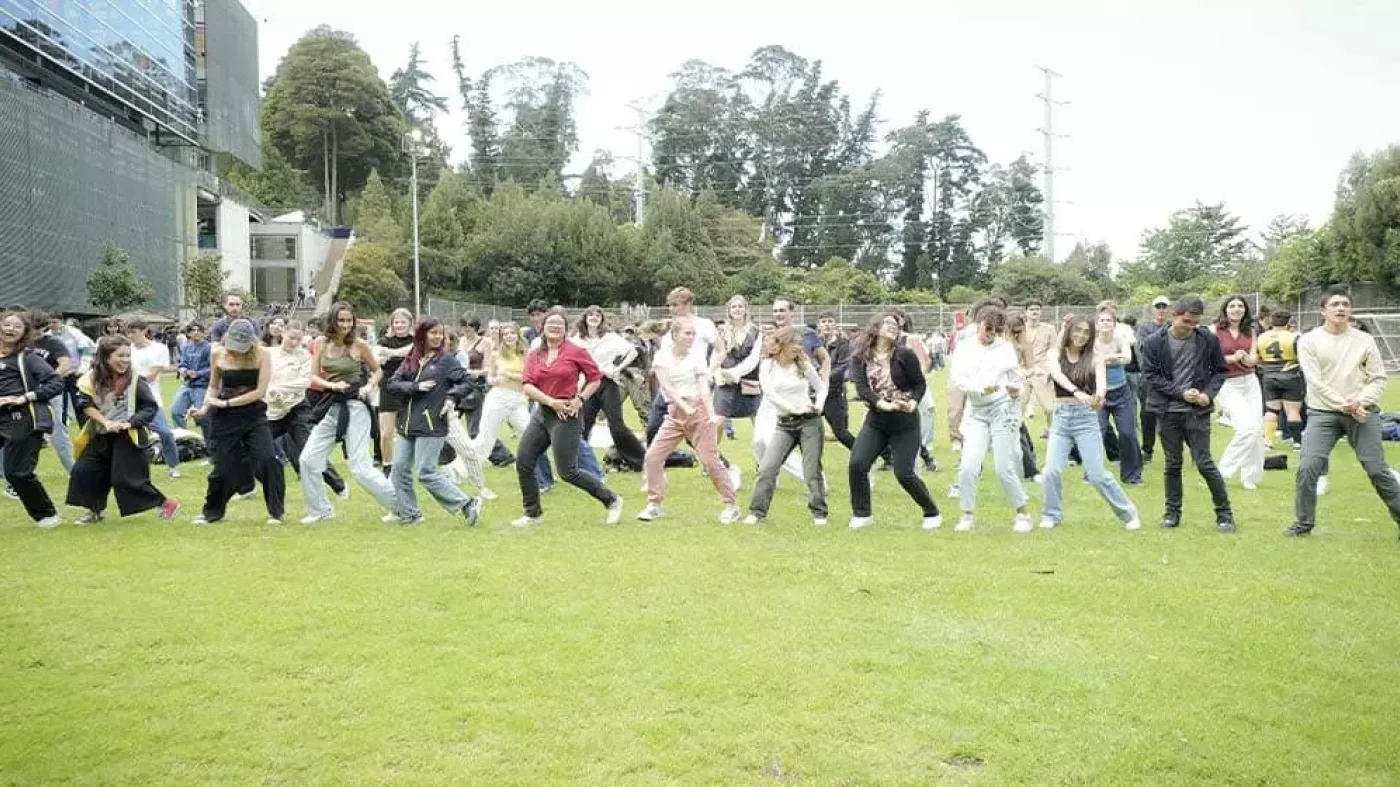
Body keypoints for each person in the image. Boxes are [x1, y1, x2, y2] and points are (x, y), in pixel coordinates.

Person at [1287, 289, 1400, 538]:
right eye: (1335, 304)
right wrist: (1345, 404)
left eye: (1345, 304)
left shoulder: (1363, 340)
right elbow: (1315, 382)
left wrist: (1361, 401)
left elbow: (1378, 378)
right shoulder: (1309, 340)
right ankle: (1303, 523)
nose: (1341, 308)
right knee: (1308, 467)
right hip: (1323, 413)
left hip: (1362, 412)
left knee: (1376, 468)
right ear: (1323, 310)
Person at [514, 308, 624, 528]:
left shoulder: (576, 351)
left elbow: (595, 378)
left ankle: (611, 499)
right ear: (542, 328)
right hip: (544, 412)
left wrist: (580, 399)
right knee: (524, 462)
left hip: (567, 414)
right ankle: (532, 514)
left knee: (568, 472)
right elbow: (527, 385)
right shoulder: (535, 354)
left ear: (566, 329)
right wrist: (549, 402)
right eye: (550, 323)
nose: (555, 327)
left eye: (560, 324)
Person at [1138, 297, 1235, 533]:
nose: (1189, 327)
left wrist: (1208, 395)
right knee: (1173, 464)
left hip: (1197, 412)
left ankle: (1225, 515)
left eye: (1194, 322)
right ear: (1174, 314)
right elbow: (1151, 377)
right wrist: (1181, 393)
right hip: (1168, 411)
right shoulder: (1153, 342)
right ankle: (1172, 514)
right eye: (1186, 321)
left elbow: (1220, 371)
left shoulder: (1206, 339)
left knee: (1204, 462)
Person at [299, 303, 400, 524]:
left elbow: (378, 371)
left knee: (360, 467)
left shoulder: (359, 345)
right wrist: (332, 385)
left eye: (349, 320)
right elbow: (313, 377)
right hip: (332, 404)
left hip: (356, 405)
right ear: (332, 322)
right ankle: (320, 510)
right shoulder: (320, 343)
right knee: (307, 460)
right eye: (341, 320)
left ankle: (402, 507)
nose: (346, 325)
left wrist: (369, 386)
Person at [1039, 316, 1141, 530]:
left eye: (1086, 332)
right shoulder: (1055, 353)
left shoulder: (1096, 357)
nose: (1081, 336)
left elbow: (1102, 384)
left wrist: (1099, 397)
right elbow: (1057, 376)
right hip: (1061, 417)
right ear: (1068, 331)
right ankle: (1051, 515)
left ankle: (1128, 513)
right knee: (1051, 470)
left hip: (1085, 419)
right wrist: (1077, 392)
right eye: (1077, 330)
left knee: (1096, 474)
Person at [67, 336, 181, 524]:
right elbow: (84, 404)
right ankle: (94, 511)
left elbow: (149, 407)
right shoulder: (90, 379)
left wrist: (130, 422)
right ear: (105, 357)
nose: (125, 360)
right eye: (120, 356)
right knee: (86, 471)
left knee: (125, 478)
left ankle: (166, 503)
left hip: (128, 435)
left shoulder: (135, 380)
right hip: (100, 434)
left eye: (128, 356)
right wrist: (106, 422)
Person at [638, 317, 739, 524]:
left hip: (698, 411)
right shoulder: (662, 357)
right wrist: (684, 408)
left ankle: (731, 505)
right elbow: (667, 387)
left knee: (711, 461)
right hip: (676, 412)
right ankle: (654, 504)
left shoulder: (697, 356)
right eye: (687, 333)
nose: (691, 337)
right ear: (675, 335)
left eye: (693, 333)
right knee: (653, 457)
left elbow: (702, 385)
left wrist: (710, 413)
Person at [846, 312, 941, 530]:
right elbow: (861, 388)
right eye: (888, 322)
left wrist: (914, 403)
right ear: (876, 327)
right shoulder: (860, 357)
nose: (893, 326)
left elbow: (919, 385)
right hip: (877, 419)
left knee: (904, 472)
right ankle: (862, 514)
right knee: (858, 464)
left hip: (904, 420)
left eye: (896, 325)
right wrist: (881, 404)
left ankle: (931, 511)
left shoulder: (904, 355)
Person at [384, 318, 483, 526]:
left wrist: (451, 397)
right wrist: (415, 387)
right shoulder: (412, 358)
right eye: (433, 333)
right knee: (399, 469)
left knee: (425, 472)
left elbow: (467, 381)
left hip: (431, 424)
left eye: (441, 333)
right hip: (407, 424)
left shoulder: (446, 361)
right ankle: (411, 514)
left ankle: (467, 504)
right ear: (422, 335)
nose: (438, 337)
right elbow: (392, 383)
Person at [188, 319, 286, 526]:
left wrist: (228, 403)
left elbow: (259, 392)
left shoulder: (262, 355)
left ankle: (276, 511)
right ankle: (212, 512)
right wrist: (204, 409)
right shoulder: (218, 354)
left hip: (253, 415)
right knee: (223, 468)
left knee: (267, 459)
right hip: (225, 420)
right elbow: (214, 387)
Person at [950, 306, 1034, 532]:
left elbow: (1017, 376)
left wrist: (1015, 388)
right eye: (988, 329)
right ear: (979, 324)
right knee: (968, 466)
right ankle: (967, 514)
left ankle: (1023, 514)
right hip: (977, 411)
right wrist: (979, 389)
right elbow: (958, 378)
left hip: (1002, 409)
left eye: (996, 331)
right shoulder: (965, 348)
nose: (990, 334)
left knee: (1003, 467)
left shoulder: (1004, 348)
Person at [743, 327, 829, 526]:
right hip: (785, 424)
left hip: (809, 423)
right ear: (781, 344)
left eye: (800, 344)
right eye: (794, 343)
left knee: (811, 470)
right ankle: (757, 512)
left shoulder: (804, 366)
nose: (798, 347)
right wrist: (793, 409)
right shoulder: (767, 366)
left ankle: (819, 513)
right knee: (767, 467)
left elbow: (821, 387)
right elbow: (770, 393)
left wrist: (819, 406)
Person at [265, 321, 349, 501]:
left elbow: (305, 381)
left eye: (298, 339)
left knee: (309, 450)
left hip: (296, 408)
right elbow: (262, 377)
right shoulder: (269, 354)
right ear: (283, 334)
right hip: (272, 411)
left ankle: (338, 485)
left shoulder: (304, 356)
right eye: (291, 338)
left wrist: (279, 388)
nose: (294, 342)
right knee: (256, 446)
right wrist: (269, 390)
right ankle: (245, 486)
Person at [0, 309, 65, 527]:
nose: (10, 329)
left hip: (23, 419)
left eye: (17, 327)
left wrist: (24, 397)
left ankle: (46, 514)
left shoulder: (28, 358)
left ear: (25, 333)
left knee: (16, 472)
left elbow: (56, 383)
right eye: (7, 324)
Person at [572, 306, 647, 472]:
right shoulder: (576, 340)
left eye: (598, 315)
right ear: (584, 318)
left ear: (602, 319)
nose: (594, 317)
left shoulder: (610, 337)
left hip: (607, 383)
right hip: (588, 385)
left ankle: (641, 461)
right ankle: (579, 463)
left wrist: (616, 369)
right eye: (590, 314)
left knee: (617, 426)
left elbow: (633, 352)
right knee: (582, 426)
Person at [1211, 295, 1265, 490]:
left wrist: (1246, 359)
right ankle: (1222, 473)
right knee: (1247, 428)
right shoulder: (1215, 330)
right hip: (1226, 383)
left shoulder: (1250, 331)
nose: (1236, 309)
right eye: (1232, 306)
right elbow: (1210, 360)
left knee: (1257, 430)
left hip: (1250, 381)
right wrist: (1233, 358)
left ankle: (1250, 477)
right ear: (1225, 309)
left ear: (1245, 310)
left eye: (1240, 306)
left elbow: (1253, 358)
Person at [712, 296, 764, 479]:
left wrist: (735, 373)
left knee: (759, 424)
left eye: (740, 306)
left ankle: (763, 464)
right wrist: (719, 374)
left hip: (749, 381)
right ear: (728, 309)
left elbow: (753, 359)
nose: (737, 309)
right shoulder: (720, 331)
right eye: (733, 306)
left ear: (746, 309)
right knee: (718, 422)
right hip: (725, 383)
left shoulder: (756, 332)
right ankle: (712, 462)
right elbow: (715, 356)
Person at [125, 321, 183, 479]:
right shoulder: (126, 350)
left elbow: (151, 376)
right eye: (128, 333)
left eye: (134, 332)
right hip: (127, 399)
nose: (131, 336)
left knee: (165, 432)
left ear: (144, 331)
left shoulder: (159, 349)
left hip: (150, 399)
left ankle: (173, 466)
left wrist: (132, 376)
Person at [1094, 308, 1143, 485]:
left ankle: (1132, 476)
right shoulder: (1092, 343)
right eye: (1102, 320)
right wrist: (1114, 358)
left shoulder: (1120, 339)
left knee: (1127, 433)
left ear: (1114, 324)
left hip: (1121, 392)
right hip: (1098, 394)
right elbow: (1090, 362)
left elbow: (1127, 358)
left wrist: (1106, 357)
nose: (1105, 323)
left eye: (1109, 320)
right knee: (1096, 432)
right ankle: (1092, 473)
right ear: (1097, 324)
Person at [24, 311, 75, 472]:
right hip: (26, 393)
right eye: (34, 329)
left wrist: (49, 379)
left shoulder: (53, 343)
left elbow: (65, 365)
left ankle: (74, 472)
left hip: (51, 393)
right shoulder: (20, 343)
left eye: (41, 329)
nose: (37, 333)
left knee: (58, 434)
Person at [1256, 310, 1304, 450]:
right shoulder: (1294, 337)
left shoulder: (1262, 337)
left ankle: (1268, 441)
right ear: (1288, 322)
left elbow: (1257, 356)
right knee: (1293, 411)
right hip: (1290, 375)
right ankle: (1297, 442)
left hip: (1269, 376)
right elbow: (1302, 357)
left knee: (1271, 410)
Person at [375, 308, 415, 470]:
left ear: (409, 324)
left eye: (403, 322)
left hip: (408, 387)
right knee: (386, 433)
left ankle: (406, 463)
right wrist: (387, 354)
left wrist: (390, 354)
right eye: (396, 322)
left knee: (408, 430)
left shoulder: (416, 340)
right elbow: (377, 358)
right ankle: (387, 464)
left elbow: (411, 352)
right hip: (388, 388)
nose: (399, 325)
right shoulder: (384, 341)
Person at [1136, 296, 1172, 462]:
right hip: (1149, 377)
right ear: (1153, 309)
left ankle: (1173, 449)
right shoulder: (1144, 327)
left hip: (1170, 377)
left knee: (1172, 414)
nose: (1161, 310)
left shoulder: (1173, 327)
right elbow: (1145, 349)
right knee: (1147, 414)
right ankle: (1147, 450)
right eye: (1158, 306)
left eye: (1164, 306)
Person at [816, 311, 857, 452]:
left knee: (841, 433)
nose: (826, 325)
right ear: (819, 325)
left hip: (834, 393)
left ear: (835, 324)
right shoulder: (815, 343)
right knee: (803, 429)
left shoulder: (843, 344)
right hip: (815, 392)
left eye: (830, 321)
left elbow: (844, 366)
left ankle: (869, 455)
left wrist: (825, 375)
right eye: (823, 322)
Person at [1020, 301, 1059, 428]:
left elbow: (1054, 350)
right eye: (1031, 309)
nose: (1034, 312)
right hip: (1022, 372)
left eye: (1037, 309)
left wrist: (1050, 371)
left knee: (1050, 408)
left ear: (1041, 312)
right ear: (1026, 312)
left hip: (1042, 372)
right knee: (1017, 408)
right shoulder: (1020, 329)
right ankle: (1017, 441)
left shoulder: (1049, 329)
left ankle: (1053, 435)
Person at [171, 322, 211, 442]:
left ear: (204, 332)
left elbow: (213, 368)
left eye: (199, 330)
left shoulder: (209, 347)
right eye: (192, 330)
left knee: (203, 417)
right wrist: (183, 370)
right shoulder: (186, 347)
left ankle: (210, 447)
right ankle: (184, 441)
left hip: (202, 386)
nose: (196, 332)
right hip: (187, 385)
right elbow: (182, 363)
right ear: (188, 333)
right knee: (176, 411)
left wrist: (198, 373)